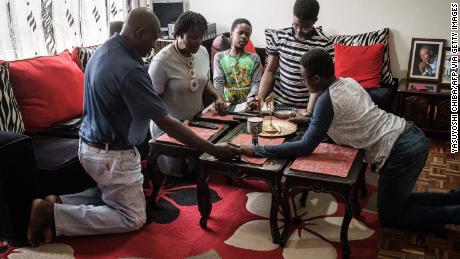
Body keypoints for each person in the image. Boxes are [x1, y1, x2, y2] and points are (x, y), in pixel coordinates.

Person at [27, 7, 239, 247]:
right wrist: (213, 149)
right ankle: (54, 215)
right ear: (139, 32)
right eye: (151, 38)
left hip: (89, 145)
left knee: (112, 194)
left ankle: (56, 203)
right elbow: (165, 121)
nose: (154, 44)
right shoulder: (130, 70)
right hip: (111, 154)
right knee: (133, 217)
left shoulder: (105, 49)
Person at [240, 48, 460, 231]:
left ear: (316, 79)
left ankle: (454, 214)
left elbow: (306, 146)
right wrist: (303, 119)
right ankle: (453, 197)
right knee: (399, 202)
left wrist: (258, 149)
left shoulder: (326, 100)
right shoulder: (347, 82)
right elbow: (340, 118)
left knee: (391, 217)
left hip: (401, 150)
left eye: (303, 77)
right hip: (409, 134)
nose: (301, 80)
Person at [148, 11, 226, 177]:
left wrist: (217, 96)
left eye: (200, 37)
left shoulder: (203, 52)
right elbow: (154, 104)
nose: (198, 42)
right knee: (176, 177)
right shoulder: (162, 61)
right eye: (192, 37)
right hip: (169, 129)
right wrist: (174, 127)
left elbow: (204, 80)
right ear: (178, 34)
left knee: (198, 172)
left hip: (196, 123)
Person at [249, 0, 333, 114]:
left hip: (308, 106)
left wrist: (308, 113)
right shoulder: (279, 36)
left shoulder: (325, 44)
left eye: (305, 28)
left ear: (314, 21)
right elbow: (270, 71)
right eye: (296, 24)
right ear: (293, 17)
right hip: (279, 104)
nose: (298, 31)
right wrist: (259, 98)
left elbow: (320, 84)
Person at [213, 18, 262, 105]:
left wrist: (251, 97)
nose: (244, 36)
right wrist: (219, 100)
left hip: (247, 105)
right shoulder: (220, 57)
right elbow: (218, 82)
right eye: (240, 32)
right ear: (231, 34)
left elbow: (255, 83)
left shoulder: (254, 58)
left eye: (247, 34)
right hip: (226, 104)